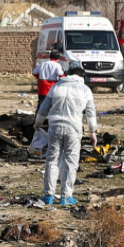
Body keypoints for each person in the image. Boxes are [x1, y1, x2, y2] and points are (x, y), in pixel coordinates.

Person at [35, 60, 97, 206]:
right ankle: (66, 196)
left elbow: (44, 107)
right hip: (73, 128)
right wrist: (92, 132)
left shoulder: (56, 86)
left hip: (55, 126)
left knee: (52, 160)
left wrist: (37, 123)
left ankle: (48, 195)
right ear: (82, 75)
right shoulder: (85, 90)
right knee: (71, 162)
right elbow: (90, 112)